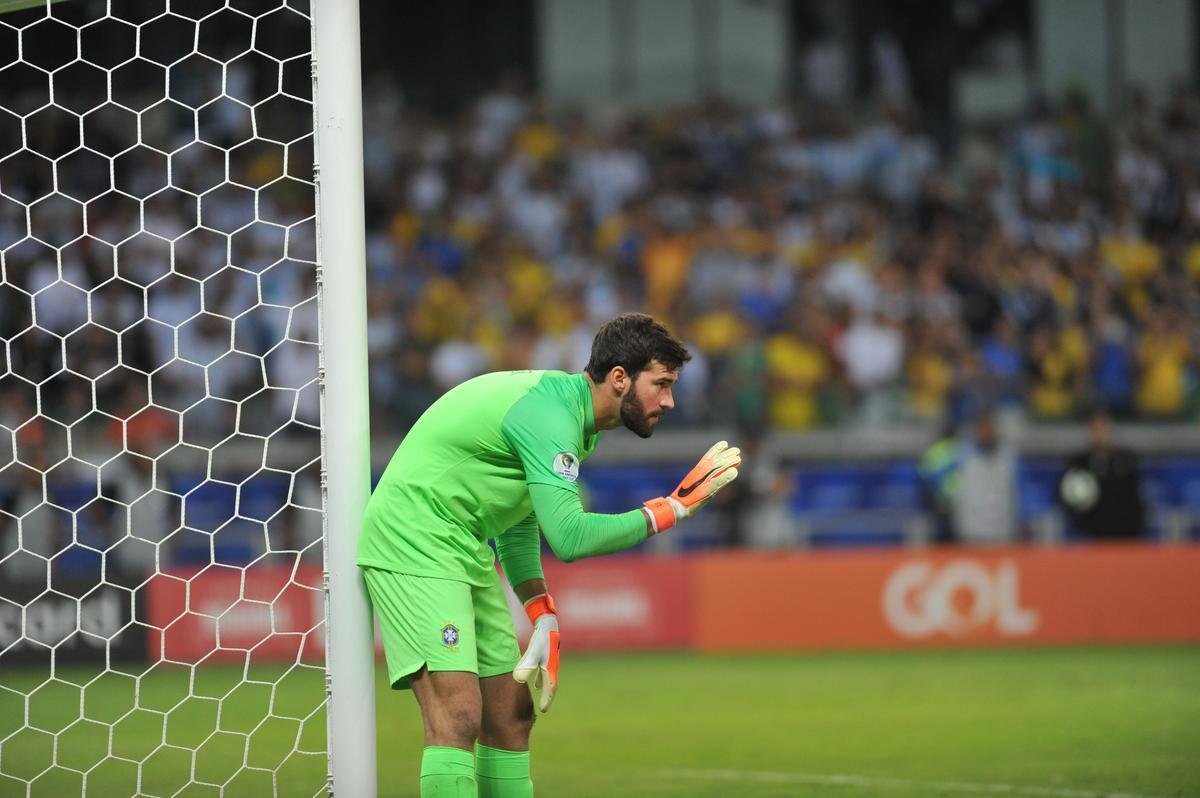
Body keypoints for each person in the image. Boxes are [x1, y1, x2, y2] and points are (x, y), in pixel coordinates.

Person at [357, 312, 740, 797]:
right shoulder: (552, 417)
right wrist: (670, 510)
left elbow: (518, 517)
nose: (669, 399)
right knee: (457, 716)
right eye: (661, 383)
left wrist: (540, 609)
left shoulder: (581, 423)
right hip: (414, 541)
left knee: (512, 718)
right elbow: (571, 537)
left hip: (464, 546)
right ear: (620, 378)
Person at [1057, 409, 1146, 539]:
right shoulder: (1079, 462)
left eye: (1103, 428)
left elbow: (1135, 498)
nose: (1099, 433)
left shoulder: (1126, 460)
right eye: (1095, 429)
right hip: (1092, 533)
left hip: (1124, 533)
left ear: (1110, 430)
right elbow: (1066, 494)